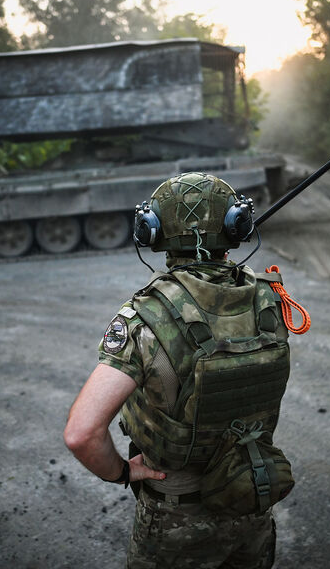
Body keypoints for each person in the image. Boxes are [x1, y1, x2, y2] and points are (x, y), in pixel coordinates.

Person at [64, 172, 308, 568]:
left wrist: (121, 472)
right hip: (253, 493)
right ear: (236, 227)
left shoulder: (145, 319)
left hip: (176, 515)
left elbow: (81, 434)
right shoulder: (269, 299)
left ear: (151, 232)